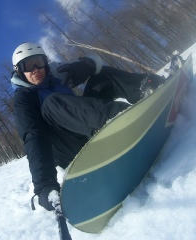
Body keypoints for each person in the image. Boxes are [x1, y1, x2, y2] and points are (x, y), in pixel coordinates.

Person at [11, 42, 164, 211]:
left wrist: (87, 65)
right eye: (28, 66)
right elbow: (33, 136)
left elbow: (95, 62)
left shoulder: (56, 72)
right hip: (68, 149)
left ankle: (150, 88)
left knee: (101, 75)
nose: (35, 69)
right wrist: (44, 183)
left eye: (38, 62)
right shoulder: (23, 98)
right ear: (19, 70)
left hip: (88, 128)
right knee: (50, 103)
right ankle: (123, 118)